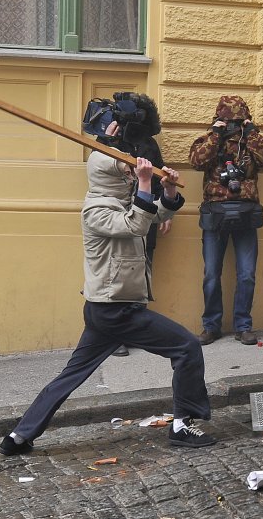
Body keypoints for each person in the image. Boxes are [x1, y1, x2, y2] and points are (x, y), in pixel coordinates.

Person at [0, 123, 216, 455]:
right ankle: (182, 426)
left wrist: (168, 191)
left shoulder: (116, 200)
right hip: (117, 310)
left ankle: (17, 438)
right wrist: (145, 181)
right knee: (186, 347)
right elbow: (136, 224)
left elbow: (153, 214)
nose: (130, 178)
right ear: (109, 178)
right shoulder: (96, 210)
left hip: (108, 308)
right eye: (126, 175)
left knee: (71, 375)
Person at [189, 96, 263, 346]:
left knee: (247, 274)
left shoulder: (250, 141)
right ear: (217, 119)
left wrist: (250, 133)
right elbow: (196, 162)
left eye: (236, 121)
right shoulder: (209, 140)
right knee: (212, 275)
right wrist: (216, 136)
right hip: (215, 213)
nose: (232, 126)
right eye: (227, 120)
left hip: (246, 213)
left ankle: (243, 326)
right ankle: (210, 326)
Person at [112, 131, 171, 357]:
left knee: (142, 276)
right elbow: (100, 173)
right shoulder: (109, 143)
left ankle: (134, 332)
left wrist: (167, 213)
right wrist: (108, 140)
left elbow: (159, 177)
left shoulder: (148, 143)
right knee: (117, 277)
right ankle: (115, 336)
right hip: (118, 217)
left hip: (147, 216)